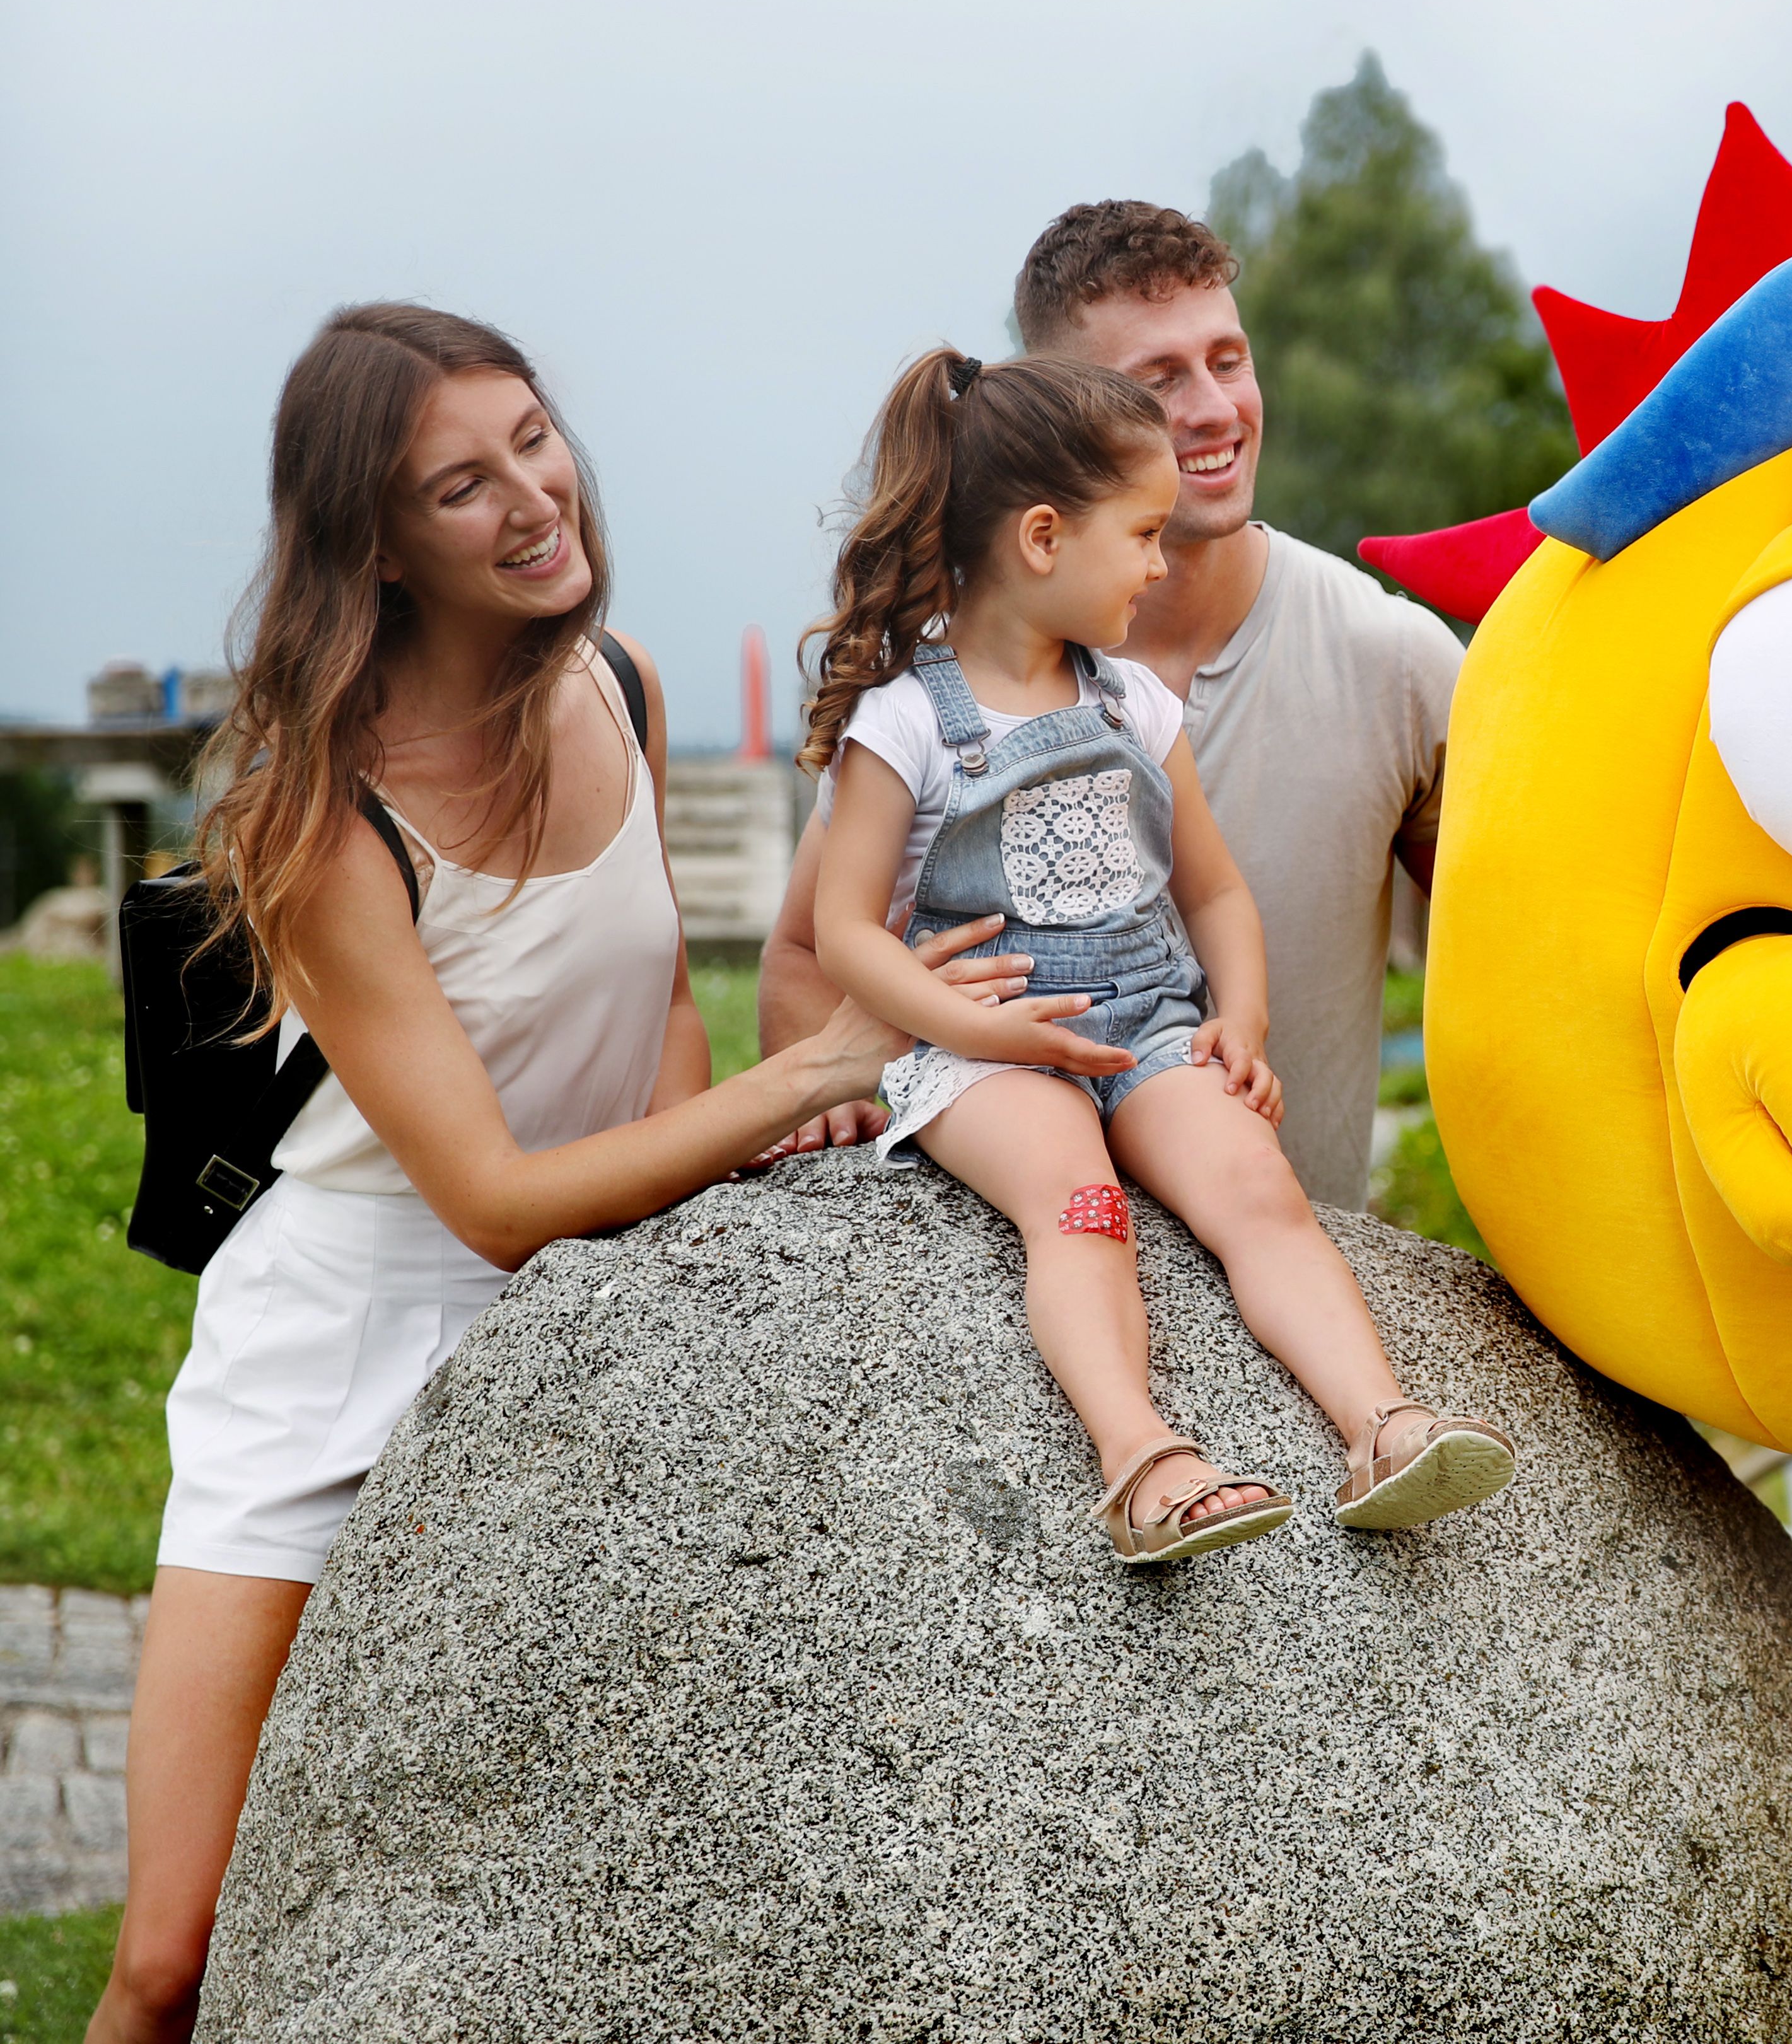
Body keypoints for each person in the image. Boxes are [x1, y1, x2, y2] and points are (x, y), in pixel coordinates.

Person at [89, 305, 975, 2043]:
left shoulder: (617, 685)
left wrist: (716, 1172)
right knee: (178, 1950)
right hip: (336, 1343)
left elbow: (649, 1003)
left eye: (534, 438)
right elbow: (486, 1192)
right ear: (377, 548)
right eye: (458, 484)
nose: (530, 495)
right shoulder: (320, 821)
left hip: (565, 1308)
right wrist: (811, 1068)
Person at [804, 344, 1513, 1560]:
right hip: (992, 1051)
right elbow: (840, 932)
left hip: (1147, 1024)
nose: (1158, 561)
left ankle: (1380, 1422)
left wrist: (1238, 1018)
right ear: (1041, 539)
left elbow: (1218, 891)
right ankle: (1140, 1459)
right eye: (1141, 535)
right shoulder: (910, 719)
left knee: (1258, 1191)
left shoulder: (1133, 703)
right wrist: (971, 1028)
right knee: (1079, 1206)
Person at [762, 201, 1459, 1211]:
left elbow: (1512, 974)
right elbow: (799, 954)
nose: (1217, 408)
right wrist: (833, 1100)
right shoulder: (936, 695)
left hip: (1284, 1252)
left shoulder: (1393, 660)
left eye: (1230, 358)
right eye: (1160, 381)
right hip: (1018, 1257)